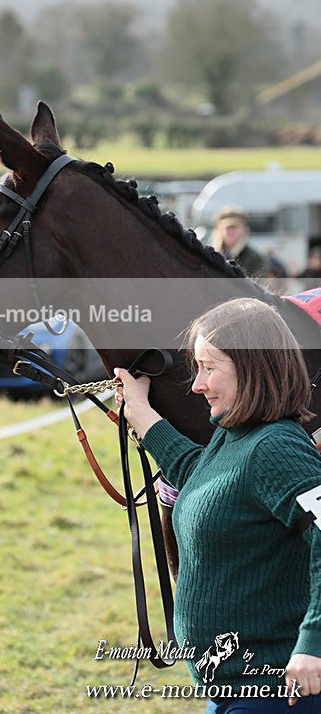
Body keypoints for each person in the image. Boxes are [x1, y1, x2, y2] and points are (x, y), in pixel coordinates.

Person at [114, 297, 321, 712]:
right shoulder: (235, 436)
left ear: (251, 368)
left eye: (210, 368)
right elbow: (199, 475)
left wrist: (314, 643)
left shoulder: (276, 448)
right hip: (230, 689)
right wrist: (138, 409)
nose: (197, 384)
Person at [211, 207, 267, 278]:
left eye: (234, 227)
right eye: (226, 227)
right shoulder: (211, 255)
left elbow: (258, 286)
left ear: (244, 229)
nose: (230, 231)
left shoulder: (254, 258)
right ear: (218, 229)